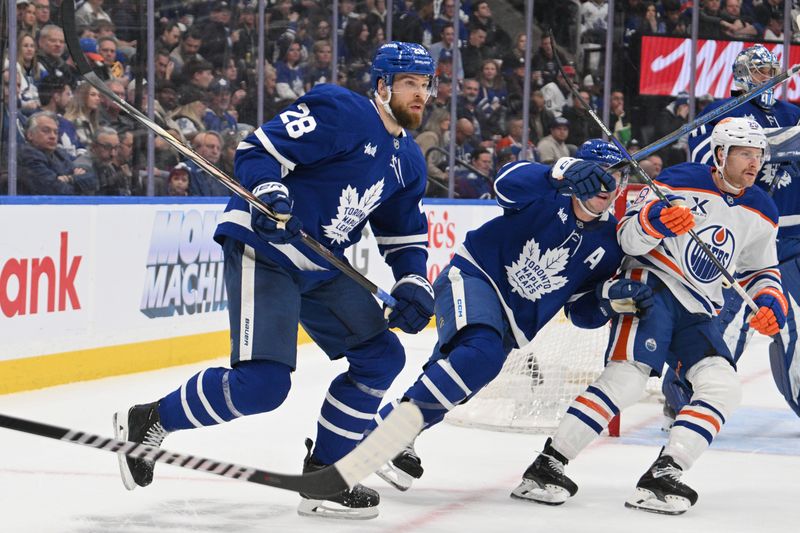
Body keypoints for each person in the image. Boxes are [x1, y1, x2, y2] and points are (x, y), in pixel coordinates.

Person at [113, 41, 439, 520]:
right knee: (263, 386)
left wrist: (413, 279)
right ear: (383, 84)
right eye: (409, 83)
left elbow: (404, 231)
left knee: (381, 356)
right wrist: (271, 192)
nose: (419, 94)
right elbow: (258, 149)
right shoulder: (342, 111)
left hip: (319, 260)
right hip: (264, 247)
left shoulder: (408, 160)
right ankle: (150, 420)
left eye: (426, 85)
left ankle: (325, 475)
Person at [512, 117, 786, 515]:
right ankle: (546, 467)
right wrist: (653, 222)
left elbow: (761, 271)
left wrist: (770, 302)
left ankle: (665, 473)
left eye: (759, 155)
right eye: (745, 153)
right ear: (721, 153)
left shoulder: (763, 207)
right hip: (650, 285)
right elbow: (627, 237)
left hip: (699, 306)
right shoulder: (677, 180)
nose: (754, 163)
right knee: (626, 379)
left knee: (723, 387)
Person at [372, 140, 648, 490]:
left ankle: (400, 432)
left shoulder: (610, 245)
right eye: (598, 176)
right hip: (474, 277)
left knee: (464, 373)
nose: (607, 187)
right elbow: (505, 182)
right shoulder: (547, 193)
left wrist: (607, 300)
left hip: (512, 325)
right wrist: (556, 172)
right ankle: (390, 429)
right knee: (481, 356)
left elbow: (580, 313)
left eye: (616, 178)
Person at [673, 44, 800, 419]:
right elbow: (700, 162)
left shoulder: (793, 113)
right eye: (760, 71)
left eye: (771, 70)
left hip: (791, 237)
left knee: (791, 323)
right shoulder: (720, 113)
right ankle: (685, 394)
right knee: (726, 326)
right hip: (742, 235)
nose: (767, 78)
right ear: (742, 74)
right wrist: (774, 146)